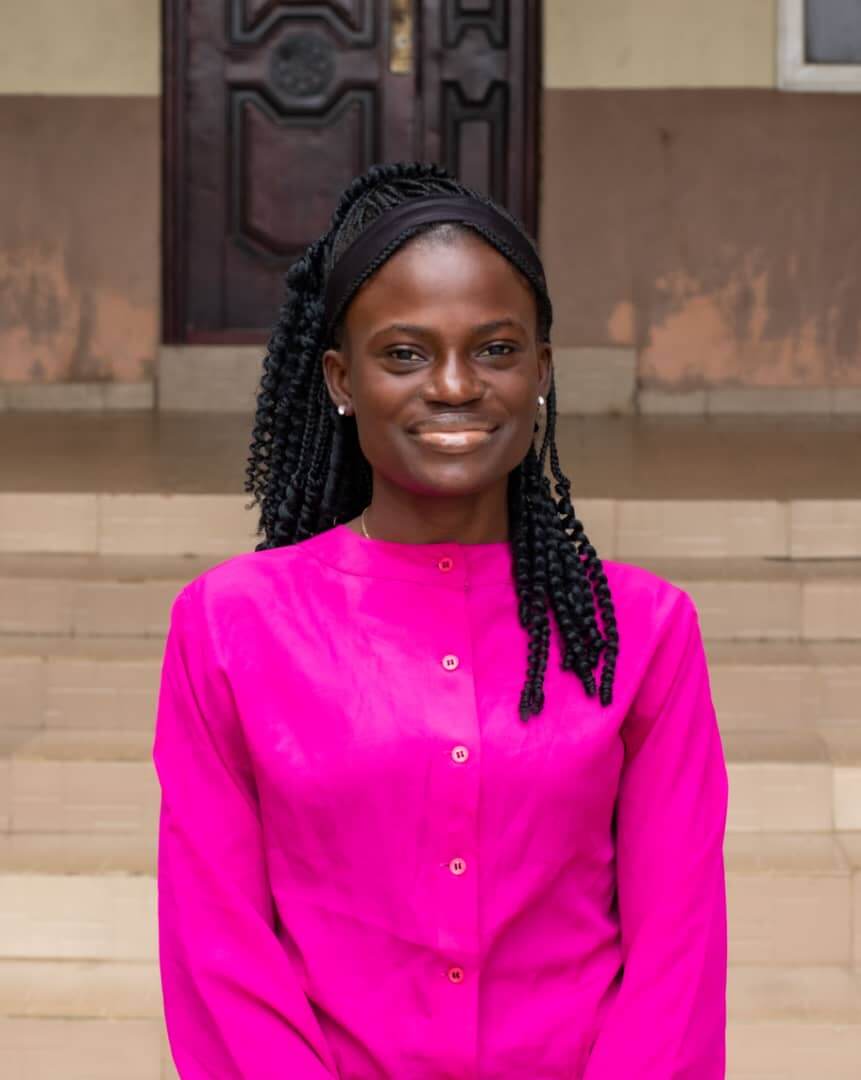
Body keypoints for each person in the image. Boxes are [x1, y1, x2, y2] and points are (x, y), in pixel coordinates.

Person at [152, 161, 729, 1078]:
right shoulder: (231, 628)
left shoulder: (642, 629)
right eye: (405, 353)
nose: (455, 385)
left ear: (542, 371)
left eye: (496, 350)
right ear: (341, 380)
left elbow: (677, 953)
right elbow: (218, 949)